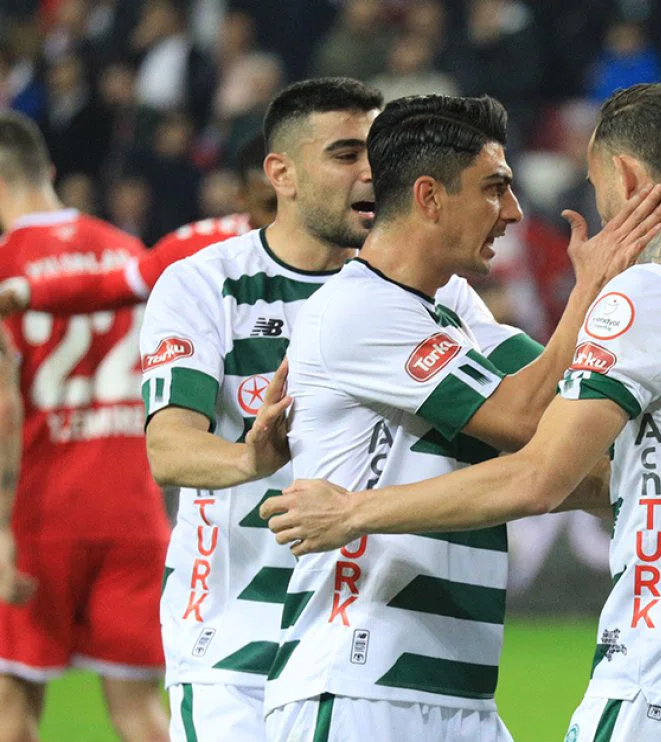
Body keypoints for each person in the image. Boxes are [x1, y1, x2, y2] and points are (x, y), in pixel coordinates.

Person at [265, 82, 661, 741]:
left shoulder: (458, 313)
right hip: (357, 680)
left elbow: (570, 445)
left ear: (624, 178)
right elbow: (527, 427)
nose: (516, 211)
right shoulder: (354, 310)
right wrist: (594, 290)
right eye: (495, 188)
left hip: (463, 690)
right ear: (429, 197)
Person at [138, 78, 385, 741]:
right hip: (233, 649)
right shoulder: (205, 284)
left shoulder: (414, 290)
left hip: (360, 647)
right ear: (282, 174)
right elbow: (168, 447)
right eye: (346, 154)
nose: (371, 171)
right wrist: (249, 458)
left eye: (378, 152)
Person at [0, 111, 170, 742]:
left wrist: (0, 526)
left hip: (39, 514)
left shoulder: (6, 267)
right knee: (139, 711)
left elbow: (4, 406)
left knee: (12, 704)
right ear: (46, 169)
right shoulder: (127, 253)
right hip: (134, 509)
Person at [0, 134, 275, 318]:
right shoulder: (199, 247)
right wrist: (29, 292)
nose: (284, 219)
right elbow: (108, 286)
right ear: (242, 198)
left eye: (292, 201)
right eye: (271, 206)